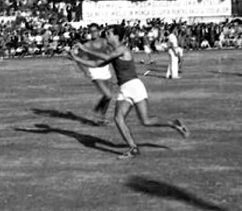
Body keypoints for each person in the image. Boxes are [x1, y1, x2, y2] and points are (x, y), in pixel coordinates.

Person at [69, 24, 189, 159]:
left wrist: (83, 48)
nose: (106, 35)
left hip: (134, 86)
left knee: (146, 121)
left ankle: (173, 124)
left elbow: (102, 58)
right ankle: (133, 148)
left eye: (109, 33)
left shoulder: (122, 48)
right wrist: (76, 58)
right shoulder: (113, 51)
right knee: (118, 119)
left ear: (116, 36)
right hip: (124, 89)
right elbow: (97, 64)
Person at [73, 24, 113, 124]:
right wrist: (85, 71)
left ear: (99, 31)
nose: (93, 33)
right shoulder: (87, 45)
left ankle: (101, 117)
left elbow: (110, 53)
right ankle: (96, 112)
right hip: (94, 70)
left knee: (106, 97)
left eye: (95, 31)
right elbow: (79, 59)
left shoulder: (104, 41)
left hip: (105, 69)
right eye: (91, 31)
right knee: (108, 95)